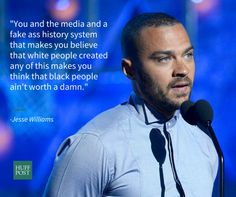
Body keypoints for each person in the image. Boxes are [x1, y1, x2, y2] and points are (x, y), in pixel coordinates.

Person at [44, 12, 218, 197]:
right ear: (129, 69)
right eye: (164, 59)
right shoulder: (95, 145)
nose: (182, 70)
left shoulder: (204, 143)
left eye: (188, 55)